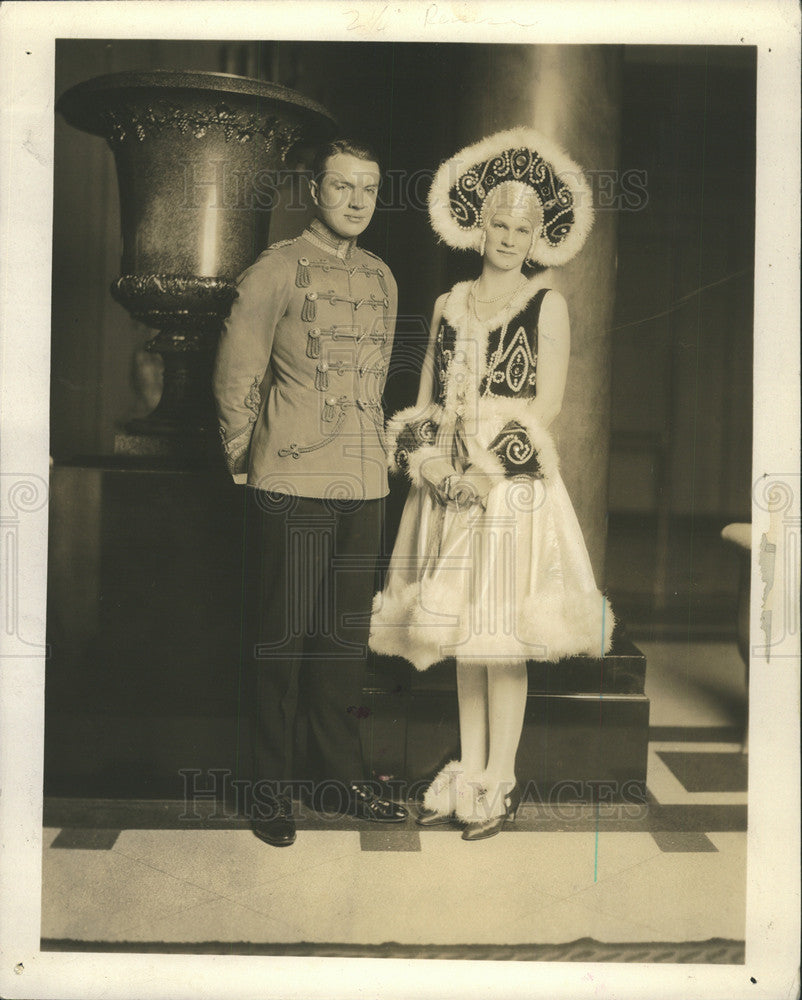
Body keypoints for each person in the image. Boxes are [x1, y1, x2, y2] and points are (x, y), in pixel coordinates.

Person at [370, 127, 615, 841]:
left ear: (539, 238)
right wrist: (433, 468)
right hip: (449, 482)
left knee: (499, 636)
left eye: (523, 229)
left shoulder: (546, 304)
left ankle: (498, 780)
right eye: (500, 224)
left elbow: (547, 407)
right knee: (461, 633)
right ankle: (466, 772)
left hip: (509, 484)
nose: (509, 239)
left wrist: (483, 474)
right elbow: (424, 403)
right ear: (478, 225)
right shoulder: (449, 303)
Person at [213, 137, 408, 848]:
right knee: (281, 640)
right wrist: (248, 462)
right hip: (290, 480)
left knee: (343, 643)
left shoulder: (383, 277)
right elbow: (236, 377)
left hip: (364, 480)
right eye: (343, 186)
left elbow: (374, 384)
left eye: (369, 188)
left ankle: (337, 778)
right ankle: (269, 790)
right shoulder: (275, 269)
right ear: (315, 191)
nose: (357, 201)